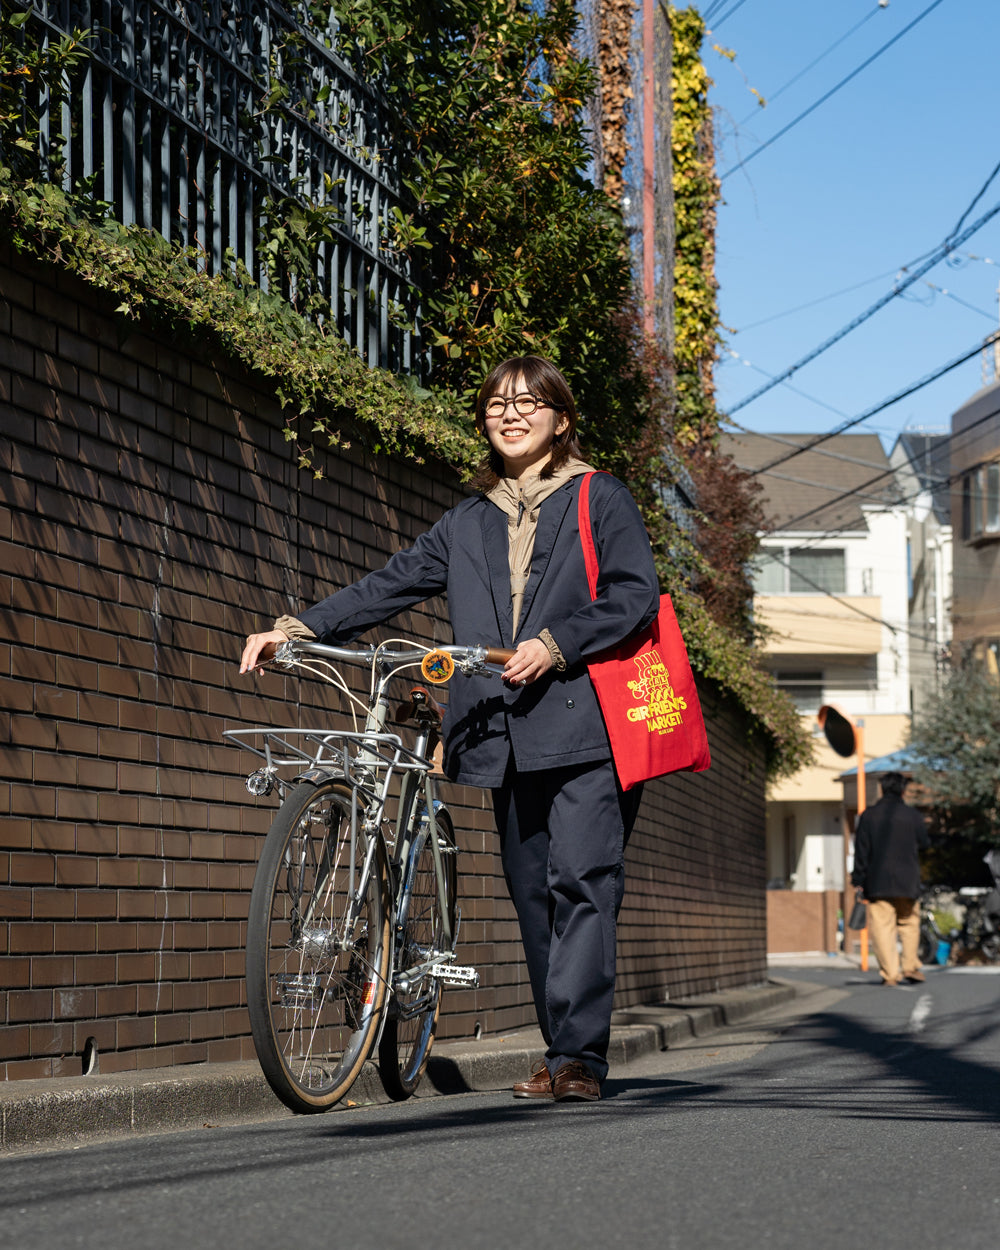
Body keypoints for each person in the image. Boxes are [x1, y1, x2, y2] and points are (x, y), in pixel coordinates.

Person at [240, 355, 660, 1102]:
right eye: (498, 404)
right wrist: (297, 629)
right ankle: (562, 1046)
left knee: (582, 883)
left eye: (529, 403)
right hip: (504, 734)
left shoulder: (600, 497)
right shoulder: (469, 519)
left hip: (586, 728)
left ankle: (577, 1061)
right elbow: (392, 583)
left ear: (561, 419)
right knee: (534, 895)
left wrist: (556, 642)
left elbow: (635, 597)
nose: (512, 414)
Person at [850, 771, 930, 986]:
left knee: (882, 928)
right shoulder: (913, 816)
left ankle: (890, 974)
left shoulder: (868, 816)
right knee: (909, 923)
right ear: (903, 790)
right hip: (908, 881)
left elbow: (861, 852)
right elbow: (925, 843)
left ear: (882, 789)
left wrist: (858, 879)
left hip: (877, 882)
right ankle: (910, 966)